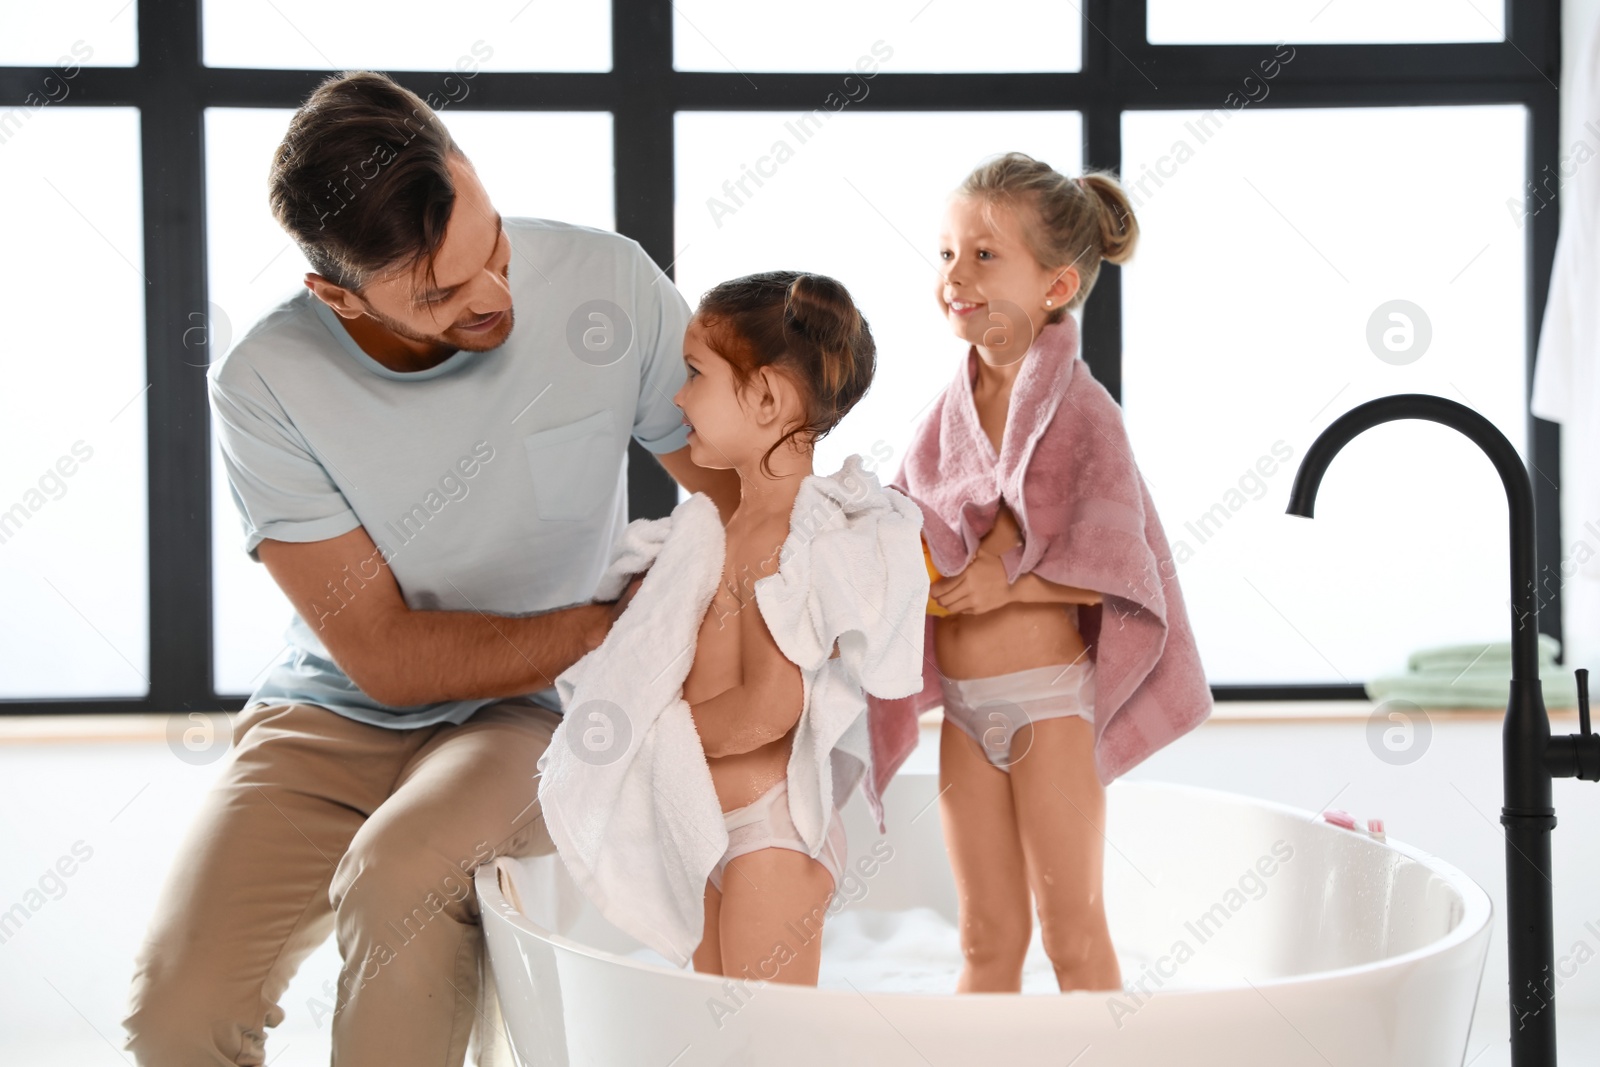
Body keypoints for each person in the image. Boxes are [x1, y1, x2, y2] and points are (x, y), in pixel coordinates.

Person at [120, 70, 738, 1067]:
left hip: (533, 710)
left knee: (400, 873)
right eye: (440, 292)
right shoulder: (265, 381)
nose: (494, 296)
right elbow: (389, 658)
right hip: (333, 714)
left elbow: (742, 494)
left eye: (489, 243)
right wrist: (607, 621)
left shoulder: (606, 285)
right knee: (176, 1016)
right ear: (335, 294)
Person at [873, 151, 1211, 994]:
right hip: (965, 711)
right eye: (947, 253)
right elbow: (918, 518)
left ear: (1056, 287)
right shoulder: (942, 416)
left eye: (985, 256)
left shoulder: (1085, 411)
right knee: (986, 939)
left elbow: (1118, 562)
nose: (956, 274)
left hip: (1048, 705)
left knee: (1071, 934)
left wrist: (1009, 582)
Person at [535, 271, 927, 984]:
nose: (678, 397)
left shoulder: (791, 540)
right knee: (717, 1035)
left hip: (769, 835)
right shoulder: (723, 525)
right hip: (706, 826)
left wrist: (646, 735)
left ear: (768, 396)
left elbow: (767, 710)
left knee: (764, 1041)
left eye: (695, 374)